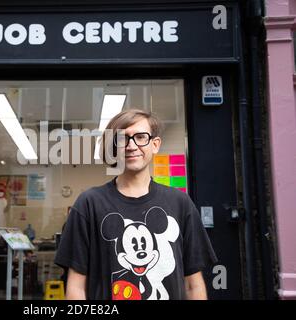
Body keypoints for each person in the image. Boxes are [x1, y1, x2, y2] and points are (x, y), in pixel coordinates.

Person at [54, 109, 218, 300]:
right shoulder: (89, 204)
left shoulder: (180, 203)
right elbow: (76, 287)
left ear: (155, 145)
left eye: (141, 137)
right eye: (123, 139)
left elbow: (193, 285)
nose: (132, 146)